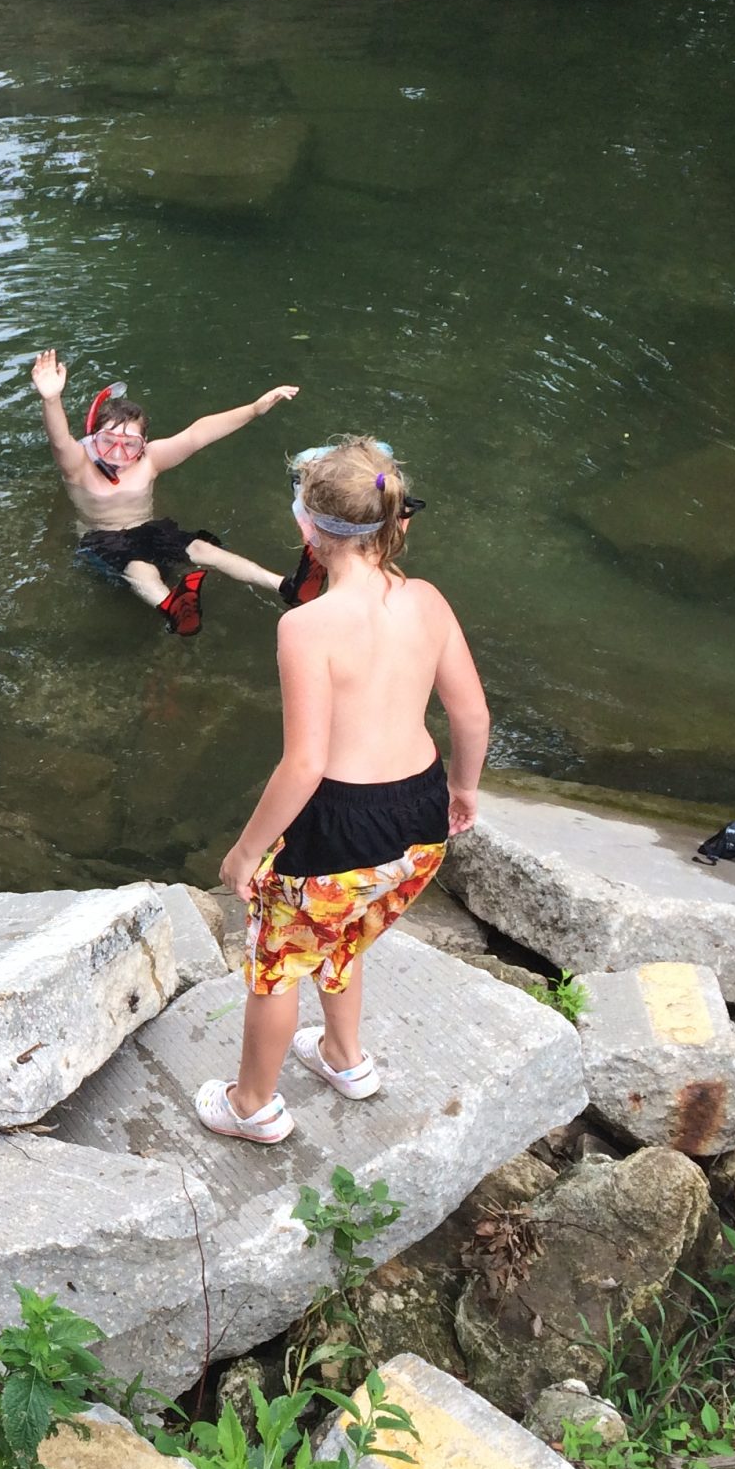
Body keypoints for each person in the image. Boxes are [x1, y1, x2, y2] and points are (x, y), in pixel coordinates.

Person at [194, 437, 490, 1143]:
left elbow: (304, 765)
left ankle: (253, 1106)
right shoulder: (426, 600)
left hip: (335, 830)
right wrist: (463, 789)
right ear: (396, 521)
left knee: (275, 967)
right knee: (346, 933)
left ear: (307, 530)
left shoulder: (306, 626)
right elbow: (471, 714)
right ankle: (344, 1058)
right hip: (419, 815)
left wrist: (244, 853)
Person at [29, 349, 298, 635]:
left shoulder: (151, 460)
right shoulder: (78, 466)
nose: (118, 452)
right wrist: (51, 399)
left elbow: (198, 434)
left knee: (204, 549)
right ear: (93, 441)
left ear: (143, 444)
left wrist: (254, 409)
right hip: (102, 538)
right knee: (141, 569)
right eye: (108, 441)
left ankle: (285, 585)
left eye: (129, 444)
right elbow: (59, 440)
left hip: (149, 530)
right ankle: (174, 609)